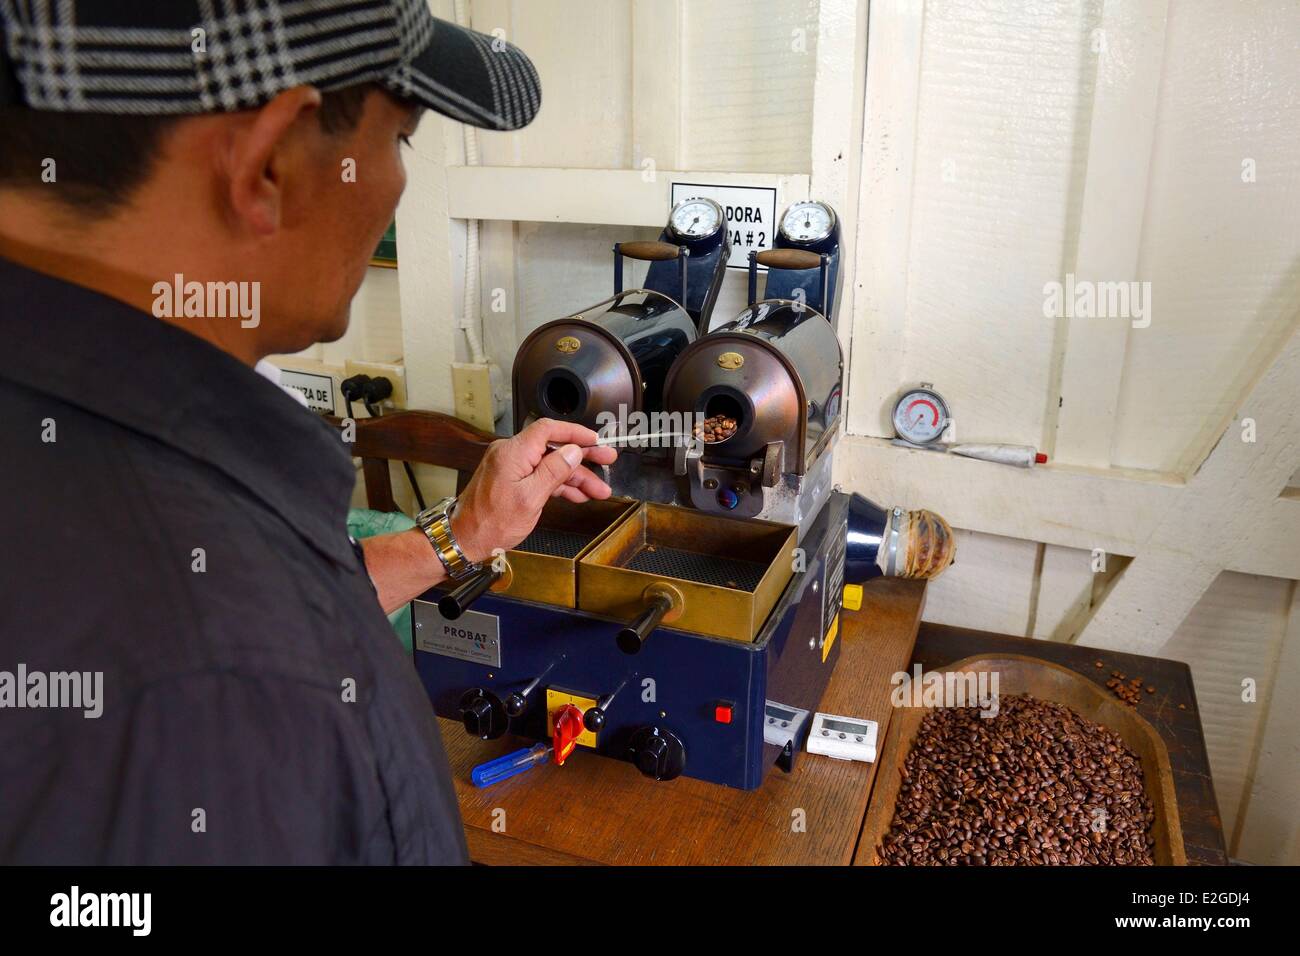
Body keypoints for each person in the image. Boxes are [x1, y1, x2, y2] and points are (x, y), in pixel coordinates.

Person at [0, 0, 615, 864]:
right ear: (270, 163)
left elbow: (277, 611)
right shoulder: (216, 688)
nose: (396, 182)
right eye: (398, 140)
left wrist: (462, 535)